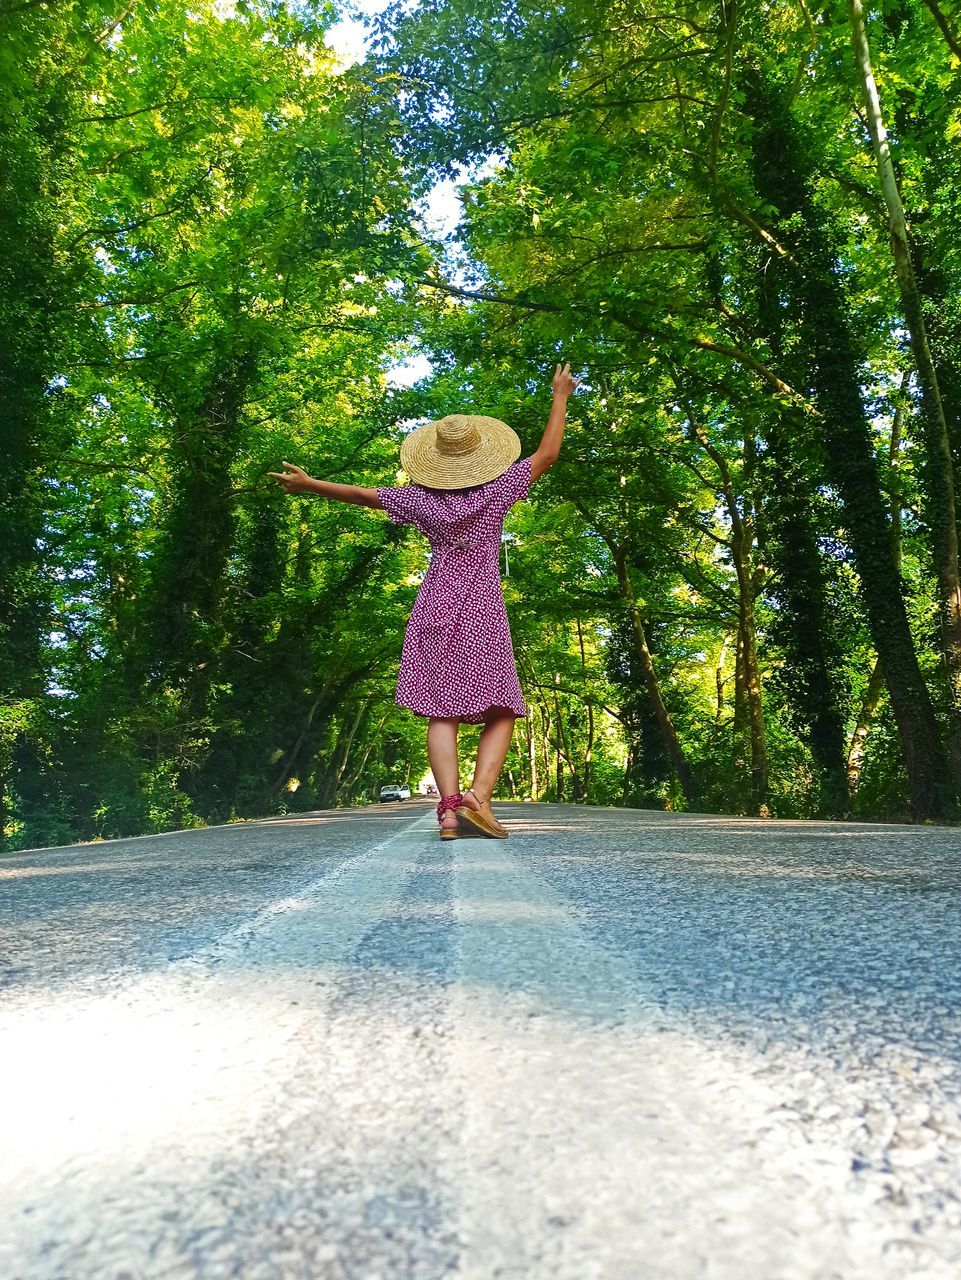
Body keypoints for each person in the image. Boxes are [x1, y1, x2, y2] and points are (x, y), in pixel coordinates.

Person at [268, 362, 579, 840]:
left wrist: (309, 484)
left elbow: (359, 494)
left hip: (435, 603)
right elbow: (548, 453)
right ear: (483, 457)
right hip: (481, 605)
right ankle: (479, 797)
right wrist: (560, 394)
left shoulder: (420, 501)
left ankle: (450, 813)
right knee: (503, 707)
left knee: (443, 710)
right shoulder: (498, 491)